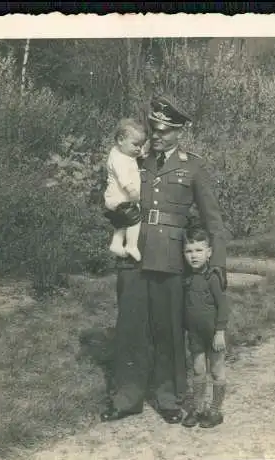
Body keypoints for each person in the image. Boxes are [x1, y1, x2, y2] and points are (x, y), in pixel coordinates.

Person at [100, 94, 227, 425]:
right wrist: (115, 215)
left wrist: (218, 264)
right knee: (130, 328)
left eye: (164, 131)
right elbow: (114, 195)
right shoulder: (135, 159)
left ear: (180, 132)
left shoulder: (193, 166)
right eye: (153, 129)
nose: (156, 137)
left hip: (171, 258)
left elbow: (213, 220)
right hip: (134, 255)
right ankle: (127, 397)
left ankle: (168, 397)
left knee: (169, 329)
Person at [181, 226, 229, 429]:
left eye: (199, 250)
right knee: (198, 369)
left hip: (213, 334)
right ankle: (198, 408)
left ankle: (215, 411)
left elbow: (223, 306)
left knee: (216, 370)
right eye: (189, 251)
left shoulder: (213, 277)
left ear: (209, 252)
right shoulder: (187, 278)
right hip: (195, 334)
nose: (194, 256)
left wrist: (220, 331)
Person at [103, 118, 147, 262]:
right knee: (135, 220)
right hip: (121, 198)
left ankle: (116, 244)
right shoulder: (118, 159)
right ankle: (131, 245)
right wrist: (132, 191)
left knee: (122, 224)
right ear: (121, 140)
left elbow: (136, 153)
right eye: (135, 145)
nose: (138, 149)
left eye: (141, 146)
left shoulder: (121, 152)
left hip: (115, 200)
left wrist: (141, 152)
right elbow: (122, 177)